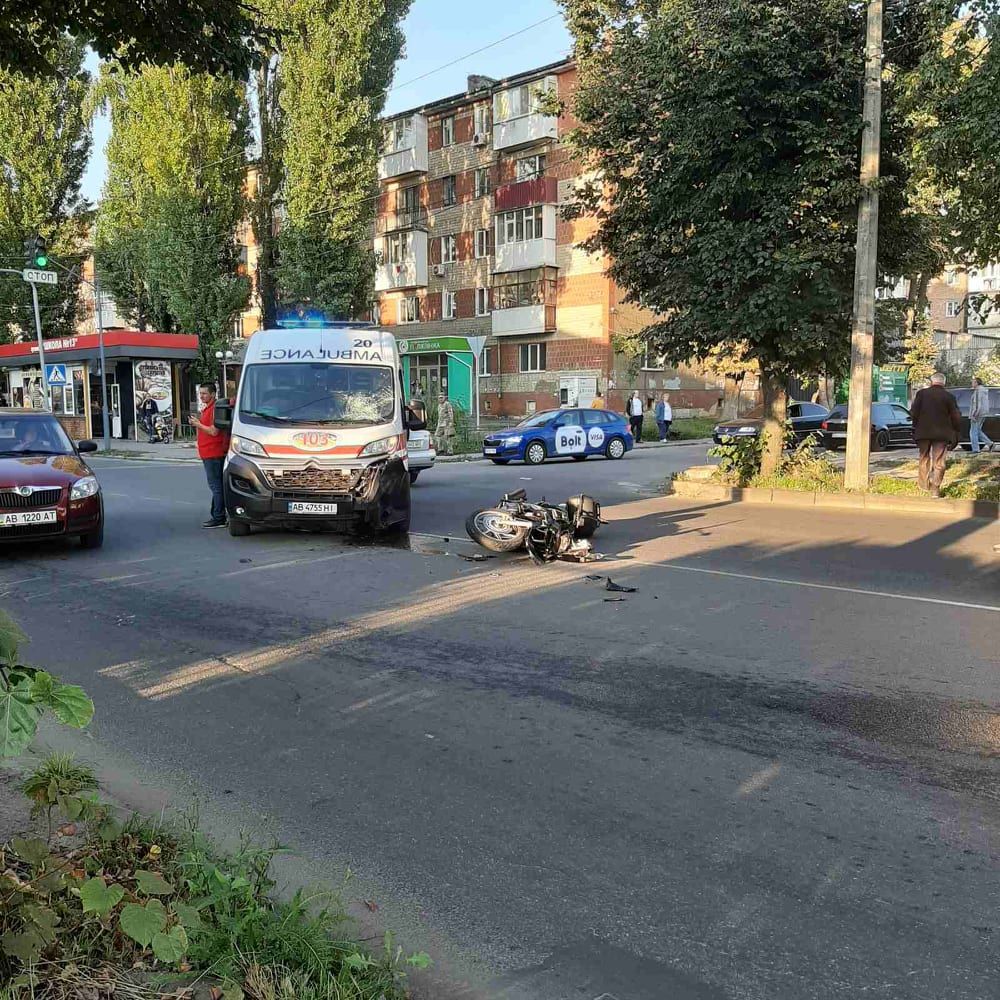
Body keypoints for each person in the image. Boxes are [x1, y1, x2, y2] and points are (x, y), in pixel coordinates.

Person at [910, 372, 961, 497]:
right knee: (939, 461)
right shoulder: (949, 396)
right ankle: (935, 489)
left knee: (924, 458)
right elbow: (956, 416)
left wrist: (916, 425)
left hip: (923, 432)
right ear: (944, 382)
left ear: (931, 382)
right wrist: (956, 431)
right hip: (942, 433)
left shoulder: (921, 394)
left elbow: (914, 412)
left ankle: (923, 486)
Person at [188, 384, 230, 527]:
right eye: (200, 393)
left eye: (205, 394)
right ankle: (218, 515)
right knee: (216, 486)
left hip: (214, 453)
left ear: (213, 394)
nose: (201, 396)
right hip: (209, 452)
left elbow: (214, 431)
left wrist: (197, 424)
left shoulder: (214, 410)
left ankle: (219, 517)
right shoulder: (207, 409)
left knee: (216, 487)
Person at [969, 376, 995, 453]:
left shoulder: (978, 391)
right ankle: (990, 444)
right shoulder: (984, 391)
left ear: (977, 383)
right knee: (977, 431)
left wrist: (974, 415)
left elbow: (977, 404)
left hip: (977, 414)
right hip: (983, 413)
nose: (972, 383)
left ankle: (975, 450)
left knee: (973, 432)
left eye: (973, 382)